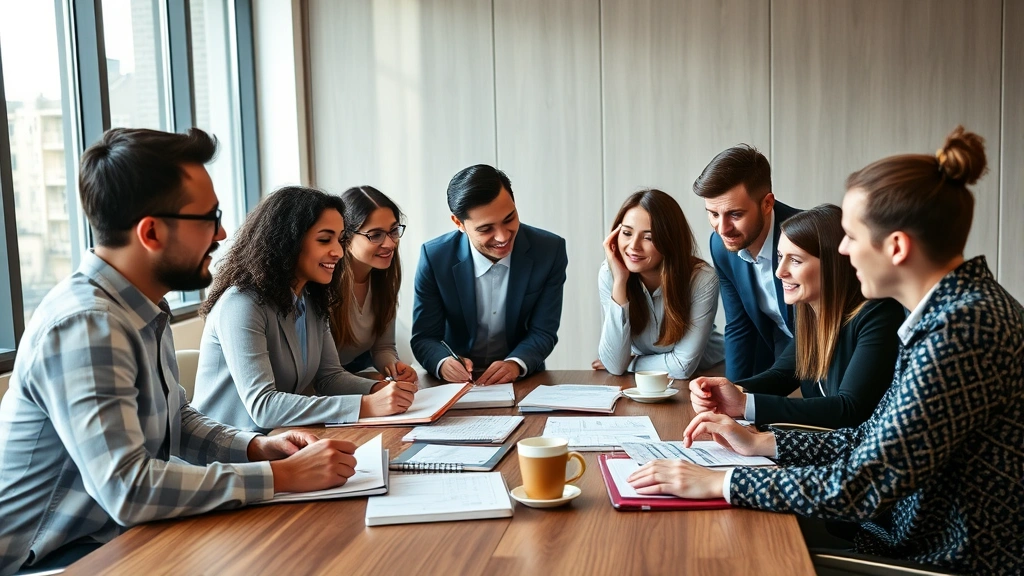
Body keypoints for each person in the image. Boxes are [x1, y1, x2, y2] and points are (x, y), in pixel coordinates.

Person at [629, 126, 1023, 574]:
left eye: (851, 236)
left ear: (896, 247)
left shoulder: (961, 330)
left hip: (930, 554)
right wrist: (764, 441)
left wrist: (723, 482)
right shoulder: (951, 314)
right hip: (896, 530)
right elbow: (868, 440)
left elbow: (860, 486)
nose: (841, 250)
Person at [0, 128, 358, 575]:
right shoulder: (88, 324)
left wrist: (257, 448)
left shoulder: (142, 306)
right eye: (209, 217)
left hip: (114, 538)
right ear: (150, 232)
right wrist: (280, 477)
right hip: (49, 559)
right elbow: (128, 489)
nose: (224, 232)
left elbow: (177, 419)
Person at [192, 187, 417, 433]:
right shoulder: (242, 303)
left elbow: (330, 377)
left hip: (282, 439)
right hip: (227, 453)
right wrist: (366, 405)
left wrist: (378, 390)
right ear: (287, 242)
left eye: (340, 240)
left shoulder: (310, 298)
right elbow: (263, 406)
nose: (339, 252)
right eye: (324, 239)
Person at [689, 205, 905, 429]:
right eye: (780, 256)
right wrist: (727, 391)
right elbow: (782, 375)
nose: (779, 272)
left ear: (833, 265)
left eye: (795, 260)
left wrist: (745, 404)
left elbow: (850, 409)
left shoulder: (879, 316)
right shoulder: (811, 312)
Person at [411, 164, 568, 385]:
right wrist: (444, 363)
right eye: (486, 229)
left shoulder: (549, 250)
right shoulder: (435, 257)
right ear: (459, 223)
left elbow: (544, 331)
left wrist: (515, 363)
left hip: (522, 379)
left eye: (509, 219)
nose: (503, 237)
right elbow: (425, 337)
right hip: (454, 385)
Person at [692, 145, 802, 381]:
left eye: (735, 214)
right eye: (713, 214)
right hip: (779, 352)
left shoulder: (808, 238)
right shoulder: (720, 246)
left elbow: (818, 332)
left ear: (767, 204)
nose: (723, 229)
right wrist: (733, 391)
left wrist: (747, 397)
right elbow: (738, 326)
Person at [593, 189, 724, 379]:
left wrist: (630, 363)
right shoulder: (610, 274)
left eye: (649, 237)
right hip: (645, 382)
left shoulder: (702, 279)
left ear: (670, 241)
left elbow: (682, 366)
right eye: (627, 233)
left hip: (707, 374)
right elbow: (614, 365)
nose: (633, 246)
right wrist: (620, 282)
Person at [330, 186, 417, 383]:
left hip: (353, 376)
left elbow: (383, 347)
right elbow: (323, 374)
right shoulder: (326, 283)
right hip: (324, 389)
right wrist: (369, 381)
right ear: (346, 237)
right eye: (375, 235)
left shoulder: (383, 279)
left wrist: (395, 368)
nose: (390, 243)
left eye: (393, 231)